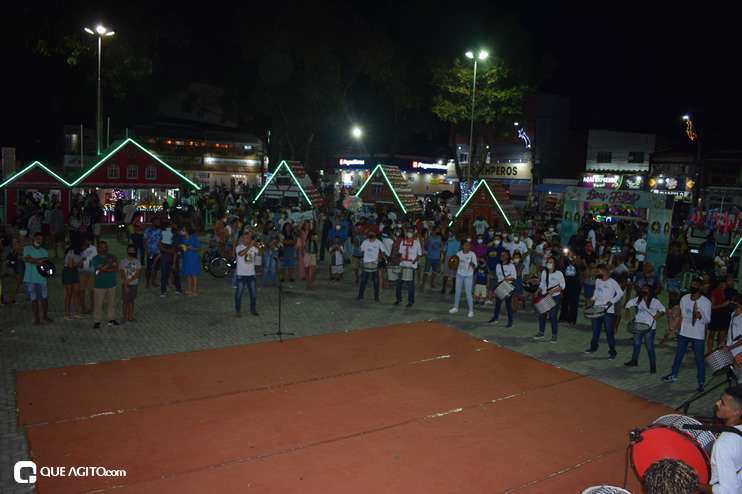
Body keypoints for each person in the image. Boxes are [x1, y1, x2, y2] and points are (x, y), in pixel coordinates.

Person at [662, 277, 712, 392]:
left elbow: (708, 320)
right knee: (679, 354)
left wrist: (700, 317)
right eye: (691, 284)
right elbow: (680, 314)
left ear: (700, 287)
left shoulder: (706, 302)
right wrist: (674, 323)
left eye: (695, 285)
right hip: (684, 332)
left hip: (698, 335)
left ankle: (701, 381)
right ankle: (673, 374)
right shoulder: (684, 298)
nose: (692, 287)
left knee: (699, 359)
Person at [698, 386, 742, 494]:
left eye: (722, 403)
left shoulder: (723, 445)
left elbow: (728, 491)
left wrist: (696, 485)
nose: (717, 403)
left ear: (735, 412)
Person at [585, 263, 624, 359]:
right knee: (595, 330)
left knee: (609, 332)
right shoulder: (598, 281)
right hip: (597, 309)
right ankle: (593, 346)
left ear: (604, 271)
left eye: (598, 271)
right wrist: (593, 299)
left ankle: (612, 351)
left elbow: (620, 293)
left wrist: (612, 301)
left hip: (608, 311)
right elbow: (596, 291)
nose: (597, 273)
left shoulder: (612, 282)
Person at [624, 284, 665, 373]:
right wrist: (627, 313)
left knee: (649, 346)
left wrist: (659, 315)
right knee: (636, 343)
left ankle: (653, 365)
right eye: (642, 288)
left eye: (645, 289)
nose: (642, 290)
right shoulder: (639, 299)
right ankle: (634, 360)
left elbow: (663, 310)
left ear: (650, 292)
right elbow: (628, 304)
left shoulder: (655, 302)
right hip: (638, 326)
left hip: (649, 328)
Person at [23, 232, 54, 325]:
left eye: (41, 239)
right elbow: (27, 259)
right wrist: (40, 261)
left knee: (44, 298)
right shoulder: (27, 248)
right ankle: (37, 318)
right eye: (37, 239)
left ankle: (45, 315)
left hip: (41, 278)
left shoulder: (44, 250)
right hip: (30, 278)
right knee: (33, 299)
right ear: (34, 238)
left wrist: (35, 261)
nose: (39, 241)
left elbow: (45, 262)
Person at [534, 257, 565, 343]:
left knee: (553, 316)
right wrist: (537, 291)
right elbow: (542, 284)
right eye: (548, 262)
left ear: (554, 264)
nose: (549, 263)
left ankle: (554, 334)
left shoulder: (559, 274)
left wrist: (553, 291)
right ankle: (541, 332)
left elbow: (563, 286)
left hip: (555, 297)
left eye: (551, 262)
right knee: (542, 315)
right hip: (544, 296)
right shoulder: (544, 272)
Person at [91, 241, 119, 328]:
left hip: (111, 284)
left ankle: (111, 318)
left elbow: (115, 269)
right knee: (98, 304)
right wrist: (109, 262)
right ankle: (97, 320)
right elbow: (103, 267)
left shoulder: (112, 256)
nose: (103, 249)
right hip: (99, 285)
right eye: (101, 247)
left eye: (104, 247)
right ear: (98, 248)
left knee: (111, 303)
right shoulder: (95, 259)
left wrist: (102, 270)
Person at [234, 229, 261, 317]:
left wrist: (257, 247)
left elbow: (261, 253)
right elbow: (241, 254)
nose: (248, 239)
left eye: (249, 237)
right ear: (242, 239)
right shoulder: (239, 247)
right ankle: (237, 310)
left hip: (251, 274)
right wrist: (250, 246)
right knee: (239, 293)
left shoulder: (253, 247)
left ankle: (253, 309)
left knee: (253, 293)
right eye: (246, 237)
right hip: (241, 274)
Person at [355, 228, 388, 301]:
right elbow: (361, 250)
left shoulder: (378, 242)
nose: (370, 235)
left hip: (374, 264)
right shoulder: (365, 242)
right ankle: (361, 295)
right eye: (369, 234)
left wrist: (380, 256)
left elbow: (383, 251)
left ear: (374, 234)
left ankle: (376, 296)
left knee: (376, 281)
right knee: (363, 280)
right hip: (366, 264)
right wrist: (360, 250)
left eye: (372, 233)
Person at [449, 240, 477, 317]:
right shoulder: (458, 254)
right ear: (462, 246)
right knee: (457, 291)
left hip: (468, 275)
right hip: (460, 274)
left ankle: (471, 311)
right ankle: (455, 307)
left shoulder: (472, 254)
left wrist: (472, 264)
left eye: (468, 245)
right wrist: (452, 263)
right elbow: (454, 263)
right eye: (465, 245)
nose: (467, 247)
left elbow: (475, 265)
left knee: (468, 293)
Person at [396, 227, 422, 308]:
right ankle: (398, 299)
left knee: (410, 284)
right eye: (408, 231)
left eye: (411, 231)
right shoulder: (403, 242)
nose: (409, 233)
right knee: (399, 283)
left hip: (411, 265)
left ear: (414, 233)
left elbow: (419, 254)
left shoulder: (416, 243)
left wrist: (415, 260)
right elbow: (400, 252)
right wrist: (400, 256)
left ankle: (411, 301)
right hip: (403, 264)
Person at [489, 250, 515, 327]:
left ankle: (510, 321)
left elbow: (514, 277)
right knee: (498, 303)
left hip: (507, 286)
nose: (502, 256)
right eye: (501, 255)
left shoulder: (511, 266)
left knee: (508, 305)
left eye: (504, 255)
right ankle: (495, 318)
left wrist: (508, 279)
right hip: (500, 285)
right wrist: (493, 277)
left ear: (507, 256)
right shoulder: (498, 265)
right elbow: (498, 276)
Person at [559, 248, 581, 325]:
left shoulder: (578, 260)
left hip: (575, 284)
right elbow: (561, 266)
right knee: (565, 301)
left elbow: (579, 265)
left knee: (574, 302)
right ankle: (563, 317)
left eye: (570, 253)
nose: (569, 254)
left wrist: (574, 259)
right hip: (566, 283)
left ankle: (572, 319)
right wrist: (563, 257)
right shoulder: (565, 261)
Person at [61, 244, 84, 320]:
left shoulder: (81, 253)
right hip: (67, 272)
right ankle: (67, 313)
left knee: (76, 292)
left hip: (74, 271)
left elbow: (81, 265)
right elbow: (70, 265)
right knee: (69, 293)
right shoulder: (71, 252)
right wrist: (76, 264)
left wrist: (74, 264)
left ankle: (77, 312)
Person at [119, 245, 141, 323]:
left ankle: (130, 317)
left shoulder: (137, 262)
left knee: (131, 300)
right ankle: (124, 317)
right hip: (125, 284)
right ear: (127, 251)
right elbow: (122, 274)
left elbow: (137, 274)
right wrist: (125, 285)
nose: (131, 252)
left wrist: (129, 281)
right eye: (130, 250)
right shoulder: (123, 261)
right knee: (125, 301)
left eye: (133, 250)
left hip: (133, 284)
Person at [664, 241, 690, 308]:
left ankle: (676, 303)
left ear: (678, 248)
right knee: (670, 290)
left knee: (676, 291)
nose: (674, 248)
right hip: (669, 275)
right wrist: (665, 271)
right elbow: (667, 264)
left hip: (677, 276)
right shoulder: (669, 256)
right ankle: (670, 303)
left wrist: (680, 273)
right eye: (673, 247)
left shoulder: (682, 257)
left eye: (675, 247)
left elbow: (687, 266)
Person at [180, 227, 201, 296]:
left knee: (193, 274)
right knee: (187, 274)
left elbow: (198, 248)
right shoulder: (183, 238)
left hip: (192, 258)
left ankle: (194, 290)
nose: (182, 231)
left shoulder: (193, 238)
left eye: (184, 230)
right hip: (186, 258)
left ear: (187, 232)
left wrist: (192, 248)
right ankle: (189, 289)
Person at [143, 218, 163, 288]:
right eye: (157, 221)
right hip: (150, 252)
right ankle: (147, 283)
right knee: (149, 268)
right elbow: (144, 242)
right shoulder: (148, 230)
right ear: (153, 223)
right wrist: (147, 251)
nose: (158, 223)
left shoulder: (160, 231)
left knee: (155, 268)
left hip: (158, 252)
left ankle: (153, 282)